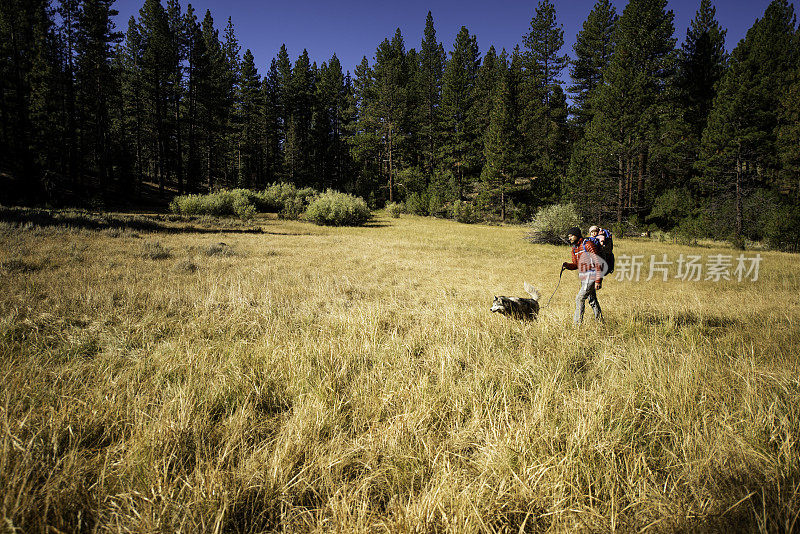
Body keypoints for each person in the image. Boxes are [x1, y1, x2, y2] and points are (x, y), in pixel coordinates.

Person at [562, 226, 604, 324]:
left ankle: (577, 325)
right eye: (568, 236)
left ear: (576, 235)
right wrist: (567, 265)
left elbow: (599, 262)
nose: (569, 238)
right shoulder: (574, 249)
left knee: (579, 298)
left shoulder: (588, 244)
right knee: (592, 300)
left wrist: (598, 280)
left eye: (571, 236)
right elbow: (576, 264)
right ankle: (600, 322)